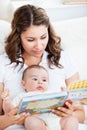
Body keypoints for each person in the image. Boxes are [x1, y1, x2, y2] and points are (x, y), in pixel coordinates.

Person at [0, 4, 85, 130]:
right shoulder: (4, 63)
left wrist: (70, 113)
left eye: (43, 37)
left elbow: (81, 115)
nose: (39, 46)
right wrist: (11, 119)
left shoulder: (63, 58)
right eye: (30, 40)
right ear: (18, 37)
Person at [2, 65, 79, 130]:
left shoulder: (51, 94)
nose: (40, 82)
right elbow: (10, 111)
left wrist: (65, 97)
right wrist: (7, 101)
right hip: (37, 120)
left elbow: (64, 106)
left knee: (72, 120)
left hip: (57, 120)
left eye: (44, 80)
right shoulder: (22, 96)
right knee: (30, 121)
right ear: (24, 84)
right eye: (35, 79)